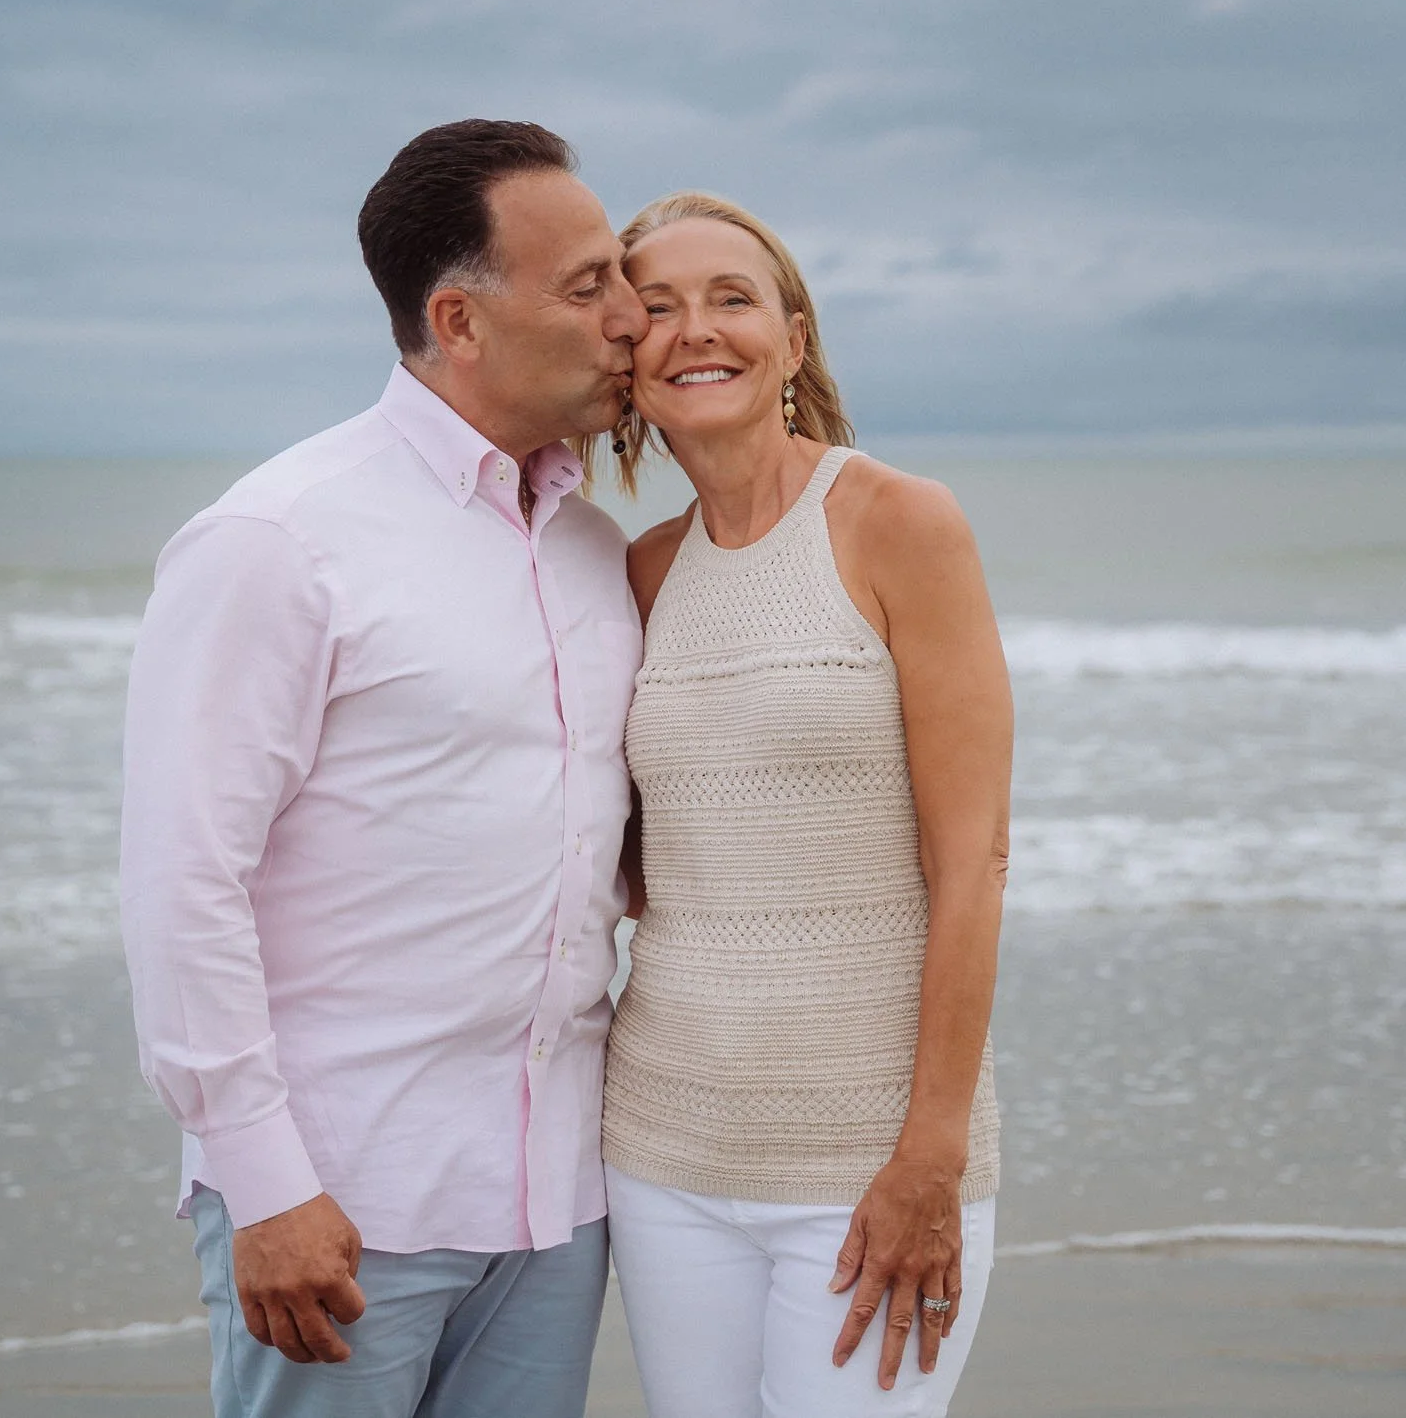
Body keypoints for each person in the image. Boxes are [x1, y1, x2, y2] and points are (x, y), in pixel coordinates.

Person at [117, 119, 647, 1418]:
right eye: (589, 286)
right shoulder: (277, 539)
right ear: (459, 319)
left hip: (555, 1197)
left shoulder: (590, 545)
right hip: (342, 1193)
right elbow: (183, 877)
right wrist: (262, 1177)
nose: (634, 315)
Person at [597, 192, 1010, 1417]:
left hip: (869, 1155)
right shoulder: (638, 572)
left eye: (729, 297)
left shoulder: (898, 522)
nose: (692, 329)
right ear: (625, 358)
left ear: (792, 336)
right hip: (664, 1145)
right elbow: (634, 863)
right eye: (654, 307)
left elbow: (975, 864)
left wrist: (929, 1155)